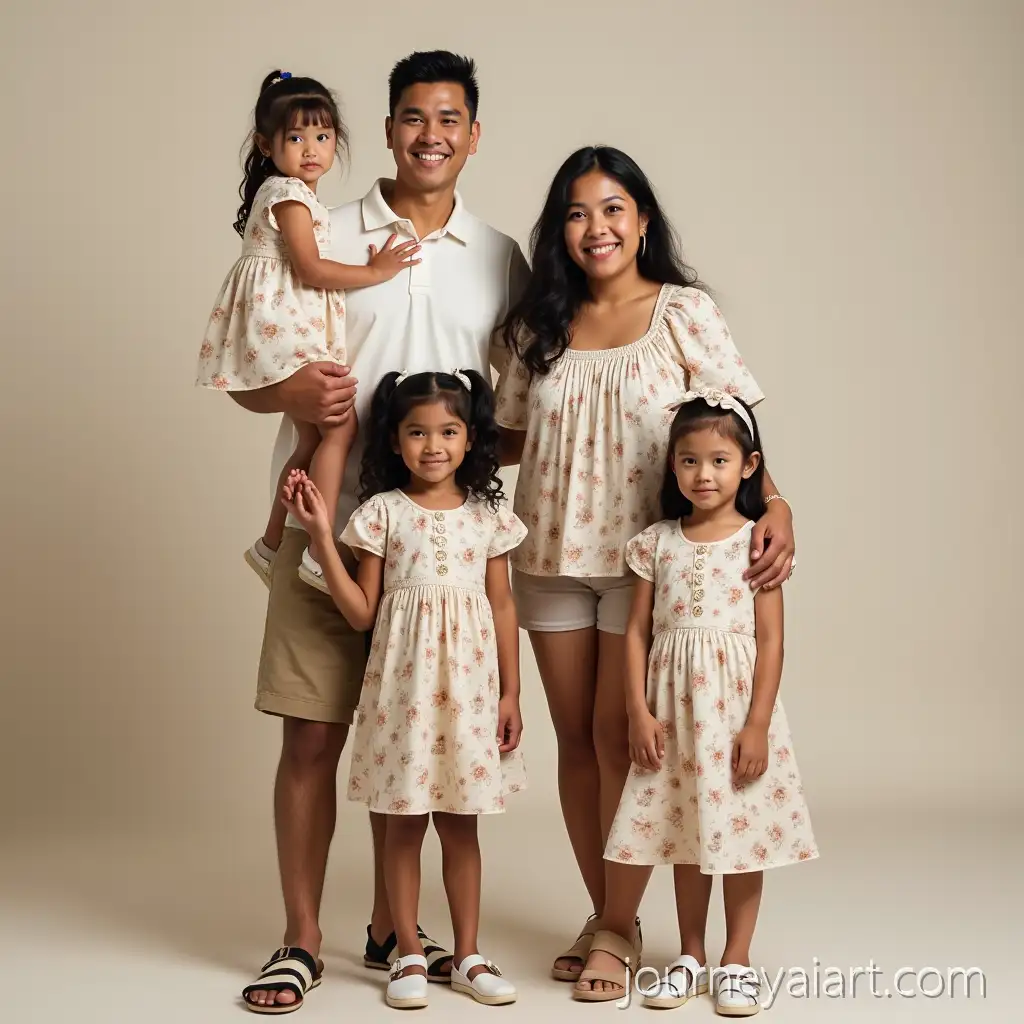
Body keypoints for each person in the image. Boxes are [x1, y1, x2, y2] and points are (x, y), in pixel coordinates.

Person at [233, 52, 530, 1014]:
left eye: (450, 117)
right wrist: (291, 393)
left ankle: (393, 931)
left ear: (474, 134)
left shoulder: (500, 257)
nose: (430, 133)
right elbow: (248, 366)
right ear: (389, 128)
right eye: (411, 116)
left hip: (444, 562)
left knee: (421, 751)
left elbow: (524, 406)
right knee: (314, 740)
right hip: (328, 530)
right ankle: (300, 941)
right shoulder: (318, 225)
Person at [493, 146, 797, 990]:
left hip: (648, 563)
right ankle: (611, 919)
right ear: (562, 230)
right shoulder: (535, 327)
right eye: (579, 212)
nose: (598, 227)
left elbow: (732, 431)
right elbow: (510, 437)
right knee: (578, 747)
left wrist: (776, 504)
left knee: (624, 739)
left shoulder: (684, 312)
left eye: (614, 209)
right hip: (548, 558)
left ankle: (617, 927)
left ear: (643, 221)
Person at [282, 370, 526, 1009]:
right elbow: (363, 612)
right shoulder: (381, 514)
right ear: (393, 441)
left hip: (470, 696)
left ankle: (468, 952)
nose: (434, 445)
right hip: (402, 698)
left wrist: (511, 692)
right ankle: (409, 953)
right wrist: (316, 536)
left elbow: (502, 605)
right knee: (402, 825)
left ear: (472, 439)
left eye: (448, 430)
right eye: (417, 432)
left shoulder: (490, 516)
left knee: (462, 825)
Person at [571, 388, 817, 1011]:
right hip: (674, 715)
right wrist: (637, 710)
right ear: (672, 466)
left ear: (749, 467)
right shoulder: (657, 543)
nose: (702, 475)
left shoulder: (758, 544)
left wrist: (757, 724)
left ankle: (736, 959)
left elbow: (772, 641)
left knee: (738, 837)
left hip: (733, 714)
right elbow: (634, 633)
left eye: (718, 461)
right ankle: (691, 952)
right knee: (685, 830)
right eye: (688, 461)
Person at [196, 71, 421, 593]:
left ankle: (271, 543)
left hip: (280, 319)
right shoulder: (289, 195)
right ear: (265, 144)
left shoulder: (295, 195)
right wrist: (375, 272)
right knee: (340, 429)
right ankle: (319, 551)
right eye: (296, 138)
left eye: (322, 137)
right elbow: (311, 269)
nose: (312, 149)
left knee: (313, 437)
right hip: (279, 325)